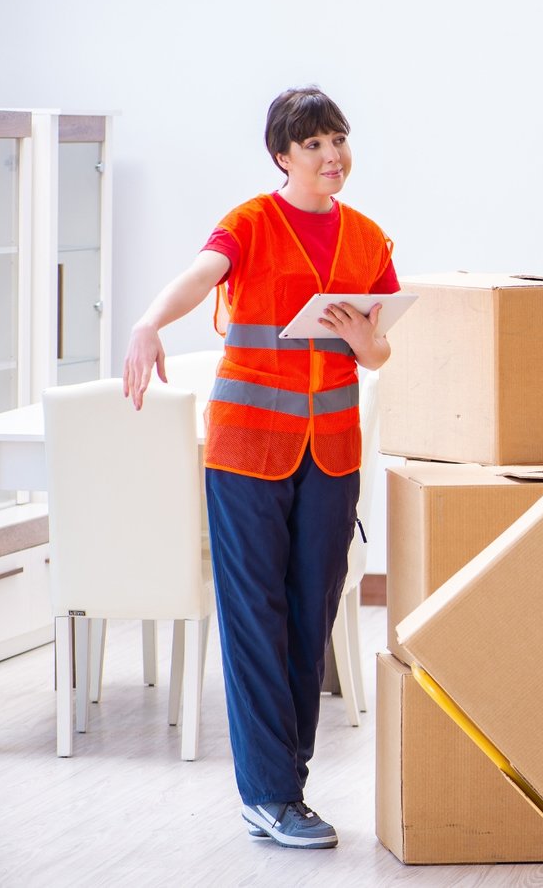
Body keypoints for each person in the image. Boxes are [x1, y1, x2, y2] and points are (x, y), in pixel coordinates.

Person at [123, 86, 399, 849]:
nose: (331, 155)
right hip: (248, 453)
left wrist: (365, 340)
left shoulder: (370, 239)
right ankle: (270, 794)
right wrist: (148, 323)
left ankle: (288, 787)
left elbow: (379, 351)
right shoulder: (250, 223)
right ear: (282, 156)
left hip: (331, 452)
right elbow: (201, 273)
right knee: (256, 617)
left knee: (310, 614)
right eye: (312, 144)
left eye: (337, 139)